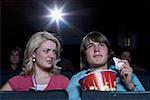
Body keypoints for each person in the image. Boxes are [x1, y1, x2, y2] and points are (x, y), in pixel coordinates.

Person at [67, 31, 145, 100]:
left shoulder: (127, 74)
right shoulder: (77, 80)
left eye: (101, 45)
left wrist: (129, 85)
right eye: (90, 46)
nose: (96, 49)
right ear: (85, 56)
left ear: (108, 53)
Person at [0, 31, 69, 91]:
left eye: (54, 52)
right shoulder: (17, 81)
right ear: (33, 53)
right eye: (46, 51)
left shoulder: (63, 82)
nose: (52, 56)